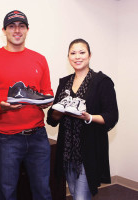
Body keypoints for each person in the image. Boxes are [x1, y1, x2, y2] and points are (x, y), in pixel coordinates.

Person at [0, 10, 53, 200]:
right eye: (12, 26)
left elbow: (47, 91)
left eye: (21, 26)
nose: (17, 30)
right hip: (7, 139)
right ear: (4, 30)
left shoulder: (40, 59)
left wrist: (47, 100)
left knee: (43, 191)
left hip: (38, 135)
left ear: (28, 29)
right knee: (7, 193)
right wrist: (0, 107)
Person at [47, 38, 118, 199]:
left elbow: (112, 116)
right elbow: (52, 119)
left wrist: (88, 117)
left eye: (82, 52)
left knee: (81, 196)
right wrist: (60, 110)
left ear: (89, 55)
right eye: (73, 53)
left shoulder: (101, 81)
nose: (77, 56)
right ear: (68, 57)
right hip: (67, 150)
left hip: (88, 150)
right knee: (73, 192)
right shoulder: (64, 83)